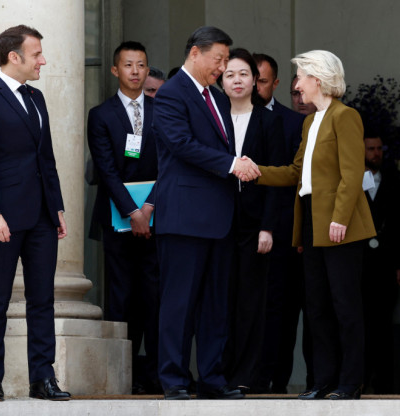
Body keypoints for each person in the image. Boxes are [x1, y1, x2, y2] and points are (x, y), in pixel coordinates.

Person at [257, 50, 375, 400]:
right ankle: (323, 381)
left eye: (301, 77)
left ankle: (350, 382)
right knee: (317, 307)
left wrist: (339, 217)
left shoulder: (345, 116)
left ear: (318, 81)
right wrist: (254, 171)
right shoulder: (310, 122)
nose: (296, 85)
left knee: (345, 305)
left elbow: (352, 173)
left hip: (339, 224)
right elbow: (296, 173)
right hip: (311, 221)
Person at [151, 26, 260, 400]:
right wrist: (233, 164)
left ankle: (212, 378)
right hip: (184, 217)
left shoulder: (215, 96)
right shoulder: (170, 95)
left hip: (219, 218)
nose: (223, 67)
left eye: (227, 60)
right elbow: (181, 145)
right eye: (219, 60)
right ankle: (174, 379)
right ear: (195, 53)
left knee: (216, 305)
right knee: (179, 303)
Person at [0, 24, 70, 402]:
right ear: (14, 57)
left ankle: (42, 379)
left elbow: (47, 158)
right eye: (37, 53)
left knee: (42, 299)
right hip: (2, 220)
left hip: (41, 216)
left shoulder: (37, 97)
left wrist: (56, 206)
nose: (43, 60)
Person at [86, 41, 161, 395]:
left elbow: (170, 165)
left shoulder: (163, 112)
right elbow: (106, 169)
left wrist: (149, 209)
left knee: (155, 296)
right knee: (120, 295)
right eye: (128, 65)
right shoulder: (101, 115)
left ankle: (158, 374)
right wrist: (132, 211)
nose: (135, 71)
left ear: (147, 70)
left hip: (157, 219)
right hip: (119, 220)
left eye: (141, 65)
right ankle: (120, 374)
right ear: (115, 70)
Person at [217, 48, 287, 392]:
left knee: (251, 303)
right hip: (215, 224)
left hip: (254, 224)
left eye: (244, 74)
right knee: (218, 300)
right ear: (221, 79)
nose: (237, 80)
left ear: (255, 81)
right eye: (230, 74)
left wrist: (268, 227)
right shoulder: (211, 117)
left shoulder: (269, 120)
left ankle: (245, 377)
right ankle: (217, 374)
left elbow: (276, 177)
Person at [251, 53, 314, 394]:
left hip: (284, 232)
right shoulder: (228, 117)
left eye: (262, 80)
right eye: (251, 78)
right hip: (239, 230)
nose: (254, 86)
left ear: (274, 83)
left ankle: (276, 380)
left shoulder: (295, 122)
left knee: (282, 309)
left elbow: (297, 180)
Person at [360, 132, 400, 394]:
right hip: (361, 265)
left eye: (379, 148)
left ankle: (385, 383)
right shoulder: (353, 181)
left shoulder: (394, 183)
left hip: (386, 264)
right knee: (361, 324)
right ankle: (362, 379)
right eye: (370, 148)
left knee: (384, 325)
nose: (375, 153)